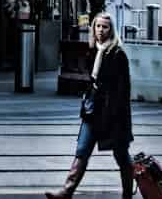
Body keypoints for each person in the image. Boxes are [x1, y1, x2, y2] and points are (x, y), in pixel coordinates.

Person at [47, 16, 133, 199]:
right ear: (93, 29)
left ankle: (127, 194)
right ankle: (66, 191)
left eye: (105, 27)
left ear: (112, 30)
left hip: (112, 113)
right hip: (92, 110)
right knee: (82, 149)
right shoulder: (94, 51)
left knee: (121, 154)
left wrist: (116, 115)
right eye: (98, 26)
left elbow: (123, 90)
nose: (101, 30)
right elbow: (92, 80)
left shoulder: (118, 54)